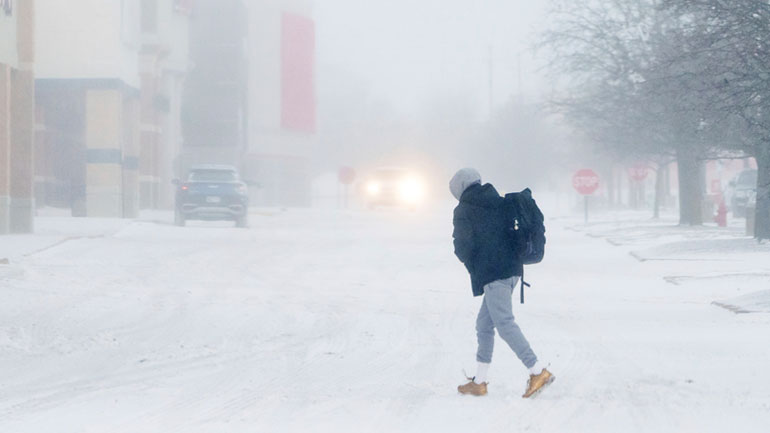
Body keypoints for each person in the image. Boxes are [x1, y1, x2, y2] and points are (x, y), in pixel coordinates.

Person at [449, 168, 554, 398]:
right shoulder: (498, 201)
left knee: (504, 323)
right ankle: (480, 381)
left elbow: (462, 248)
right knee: (484, 325)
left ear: (459, 189)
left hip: (494, 274)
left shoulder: (464, 209)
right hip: (513, 270)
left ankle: (537, 371)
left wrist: (475, 265)